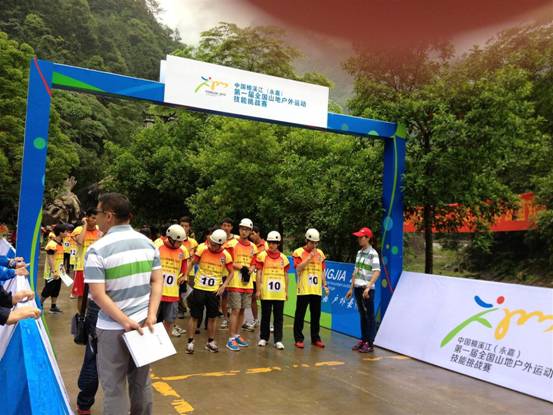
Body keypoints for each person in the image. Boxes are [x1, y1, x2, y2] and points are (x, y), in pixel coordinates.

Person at [85, 192, 162, 415]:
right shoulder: (149, 244)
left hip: (112, 327)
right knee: (141, 381)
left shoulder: (97, 249)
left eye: (98, 213)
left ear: (109, 216)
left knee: (114, 388)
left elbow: (97, 295)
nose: (96, 218)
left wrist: (125, 321)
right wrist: (152, 315)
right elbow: (157, 281)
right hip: (144, 325)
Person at [185, 229, 233, 354]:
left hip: (213, 291)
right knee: (194, 316)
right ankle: (190, 342)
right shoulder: (202, 249)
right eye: (211, 243)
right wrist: (185, 275)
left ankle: (210, 342)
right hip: (199, 288)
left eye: (215, 245)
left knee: (212, 317)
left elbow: (231, 272)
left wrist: (224, 286)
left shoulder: (226, 255)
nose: (211, 246)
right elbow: (192, 263)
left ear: (221, 244)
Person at [346, 227, 381, 353]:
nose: (359, 239)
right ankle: (363, 339)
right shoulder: (359, 253)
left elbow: (377, 271)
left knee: (369, 316)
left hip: (367, 290)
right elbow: (355, 271)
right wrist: (351, 288)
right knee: (362, 315)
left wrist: (368, 287)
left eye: (361, 237)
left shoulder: (373, 253)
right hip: (357, 288)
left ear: (368, 238)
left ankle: (370, 343)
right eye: (358, 237)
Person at [292, 228, 329, 349]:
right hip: (303, 289)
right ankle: (298, 339)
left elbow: (322, 271)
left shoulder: (320, 254)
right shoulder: (298, 252)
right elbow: (298, 268)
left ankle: (315, 338)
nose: (314, 245)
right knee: (300, 315)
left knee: (316, 316)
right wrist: (309, 258)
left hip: (316, 290)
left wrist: (325, 285)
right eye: (312, 242)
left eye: (316, 243)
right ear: (306, 240)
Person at [225, 218, 258, 351]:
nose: (244, 232)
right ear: (239, 229)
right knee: (235, 310)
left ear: (250, 231)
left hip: (247, 282)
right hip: (235, 282)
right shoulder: (231, 244)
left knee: (243, 310)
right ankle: (231, 338)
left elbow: (254, 263)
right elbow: (228, 261)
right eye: (242, 229)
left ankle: (237, 334)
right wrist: (241, 267)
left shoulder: (253, 247)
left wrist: (251, 268)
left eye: (247, 229)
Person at [255, 231, 289, 349]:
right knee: (265, 315)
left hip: (279, 294)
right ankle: (264, 338)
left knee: (279, 317)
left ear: (278, 244)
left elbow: (286, 275)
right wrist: (258, 290)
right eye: (270, 242)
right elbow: (258, 273)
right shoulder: (262, 256)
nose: (271, 245)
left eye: (274, 243)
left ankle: (278, 340)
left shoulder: (284, 258)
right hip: (266, 292)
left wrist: (286, 291)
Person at [158, 225, 189, 337]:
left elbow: (184, 267)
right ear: (170, 238)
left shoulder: (183, 250)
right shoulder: (157, 245)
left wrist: (184, 276)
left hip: (172, 292)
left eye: (182, 242)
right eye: (178, 242)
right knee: (154, 320)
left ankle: (166, 341)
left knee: (169, 320)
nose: (181, 244)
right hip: (157, 292)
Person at [71, 210, 102, 311]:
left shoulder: (99, 230)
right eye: (93, 218)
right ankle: (81, 316)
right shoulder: (78, 230)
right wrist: (85, 225)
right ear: (87, 218)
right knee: (81, 295)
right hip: (81, 267)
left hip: (96, 266)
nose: (95, 220)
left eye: (96, 218)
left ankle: (92, 314)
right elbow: (79, 241)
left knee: (96, 294)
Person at [40, 223, 70, 313]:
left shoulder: (61, 243)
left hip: (59, 271)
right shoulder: (52, 244)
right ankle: (39, 304)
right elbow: (50, 258)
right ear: (60, 232)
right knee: (48, 289)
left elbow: (60, 258)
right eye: (66, 232)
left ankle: (53, 306)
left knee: (56, 289)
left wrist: (62, 269)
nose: (67, 233)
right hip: (51, 272)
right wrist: (53, 271)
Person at [245, 226, 268, 330]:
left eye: (253, 234)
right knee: (253, 298)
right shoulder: (251, 246)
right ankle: (256, 320)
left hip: (263, 276)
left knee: (265, 300)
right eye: (250, 234)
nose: (251, 236)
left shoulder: (266, 245)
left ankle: (267, 322)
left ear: (258, 233)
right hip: (253, 276)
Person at [219, 217, 236, 329]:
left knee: (234, 297)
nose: (226, 227)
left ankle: (235, 318)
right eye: (224, 225)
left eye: (228, 226)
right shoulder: (218, 238)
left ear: (231, 227)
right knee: (224, 297)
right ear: (221, 226)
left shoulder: (236, 240)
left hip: (233, 273)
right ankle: (225, 318)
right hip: (221, 273)